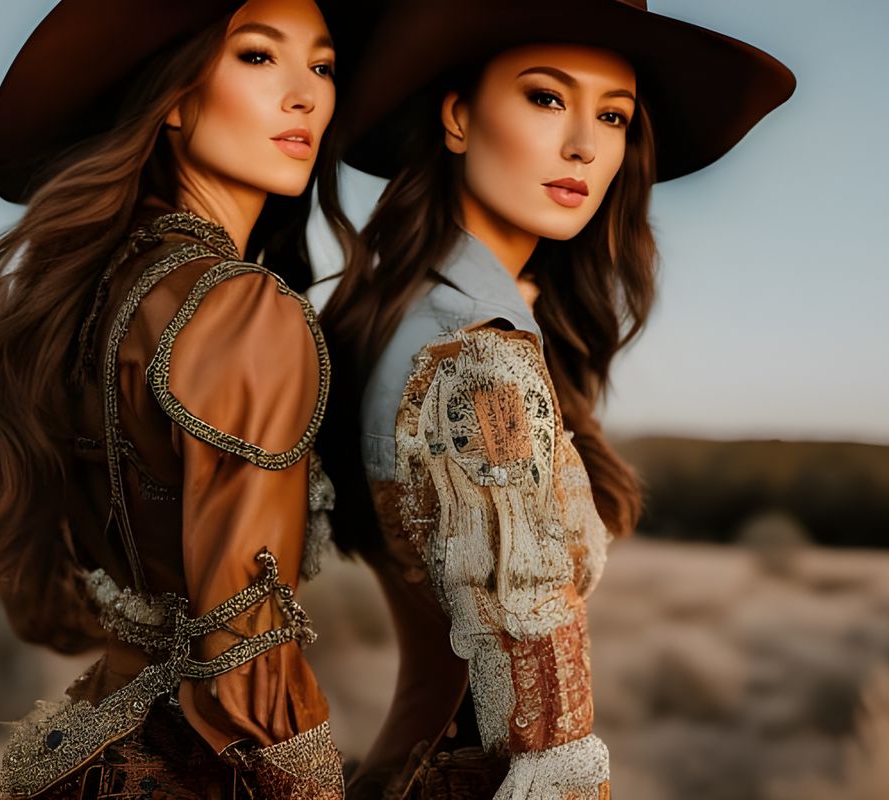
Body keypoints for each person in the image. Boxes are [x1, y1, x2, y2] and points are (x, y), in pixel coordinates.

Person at [317, 0, 795, 796]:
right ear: (459, 117)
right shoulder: (478, 361)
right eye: (546, 97)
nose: (583, 145)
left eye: (613, 116)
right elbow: (547, 743)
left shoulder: (405, 315)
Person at [0, 0, 351, 796]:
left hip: (85, 757)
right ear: (177, 98)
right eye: (258, 56)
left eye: (321, 65)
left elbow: (71, 599)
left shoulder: (93, 295)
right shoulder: (242, 308)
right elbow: (243, 652)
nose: (306, 95)